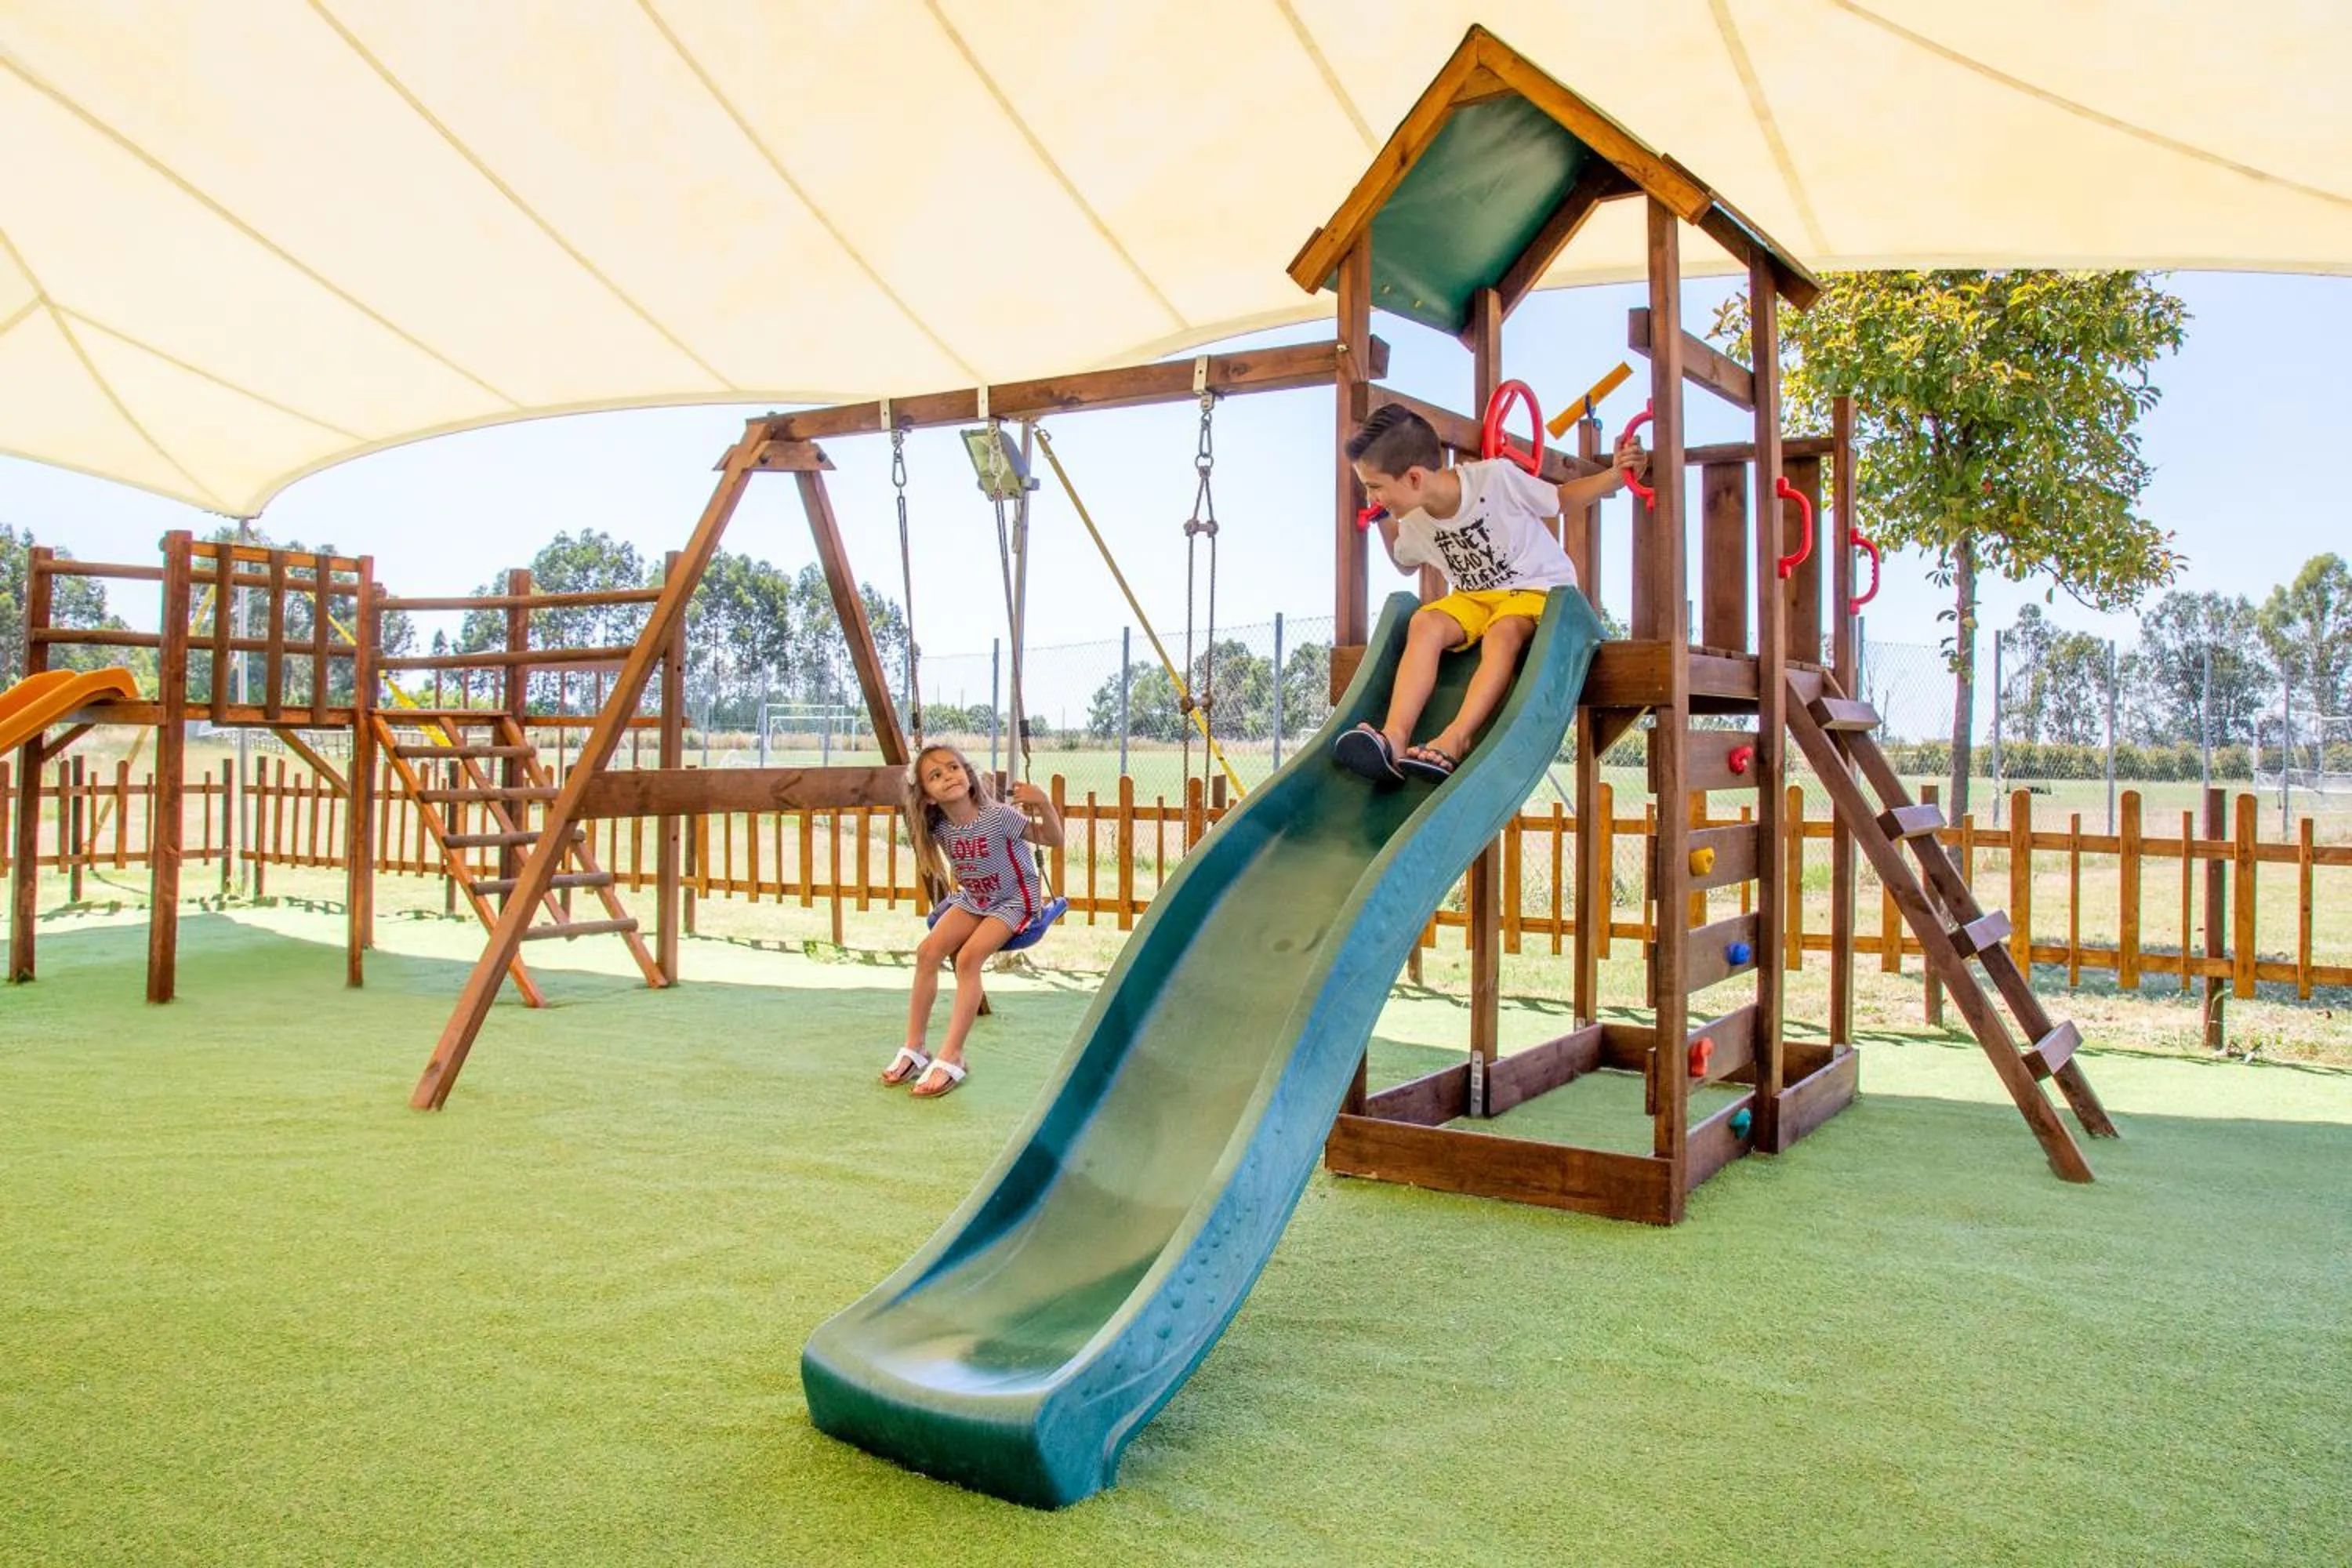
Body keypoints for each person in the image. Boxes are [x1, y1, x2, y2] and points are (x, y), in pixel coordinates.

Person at [1333, 403, 1644, 784]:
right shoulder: (1413, 521)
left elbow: (1559, 500)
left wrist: (1615, 476)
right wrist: (1381, 519)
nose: (1372, 497)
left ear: (1414, 478)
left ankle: (1456, 737)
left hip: (1535, 586)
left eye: (1375, 487)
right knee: (1425, 622)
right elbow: (1405, 562)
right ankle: (1394, 739)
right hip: (1476, 597)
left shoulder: (1494, 481)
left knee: (1503, 633)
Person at [881, 743, 1065, 1098]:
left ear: (967, 774)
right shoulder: (939, 829)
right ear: (929, 797)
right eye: (935, 775)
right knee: (927, 953)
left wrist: (1042, 802)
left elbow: (1053, 840)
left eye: (953, 768)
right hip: (976, 899)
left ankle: (953, 1055)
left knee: (968, 959)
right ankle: (916, 1046)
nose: (948, 777)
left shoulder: (999, 816)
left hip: (1016, 900)